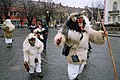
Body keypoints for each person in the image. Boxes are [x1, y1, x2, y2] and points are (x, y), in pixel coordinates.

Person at [54, 12, 107, 80]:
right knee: (73, 73)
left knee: (79, 70)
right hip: (73, 54)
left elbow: (94, 36)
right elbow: (62, 36)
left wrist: (102, 35)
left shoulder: (86, 31)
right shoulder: (69, 31)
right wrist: (59, 40)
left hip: (83, 55)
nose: (80, 24)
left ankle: (75, 77)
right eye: (79, 21)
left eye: (82, 21)